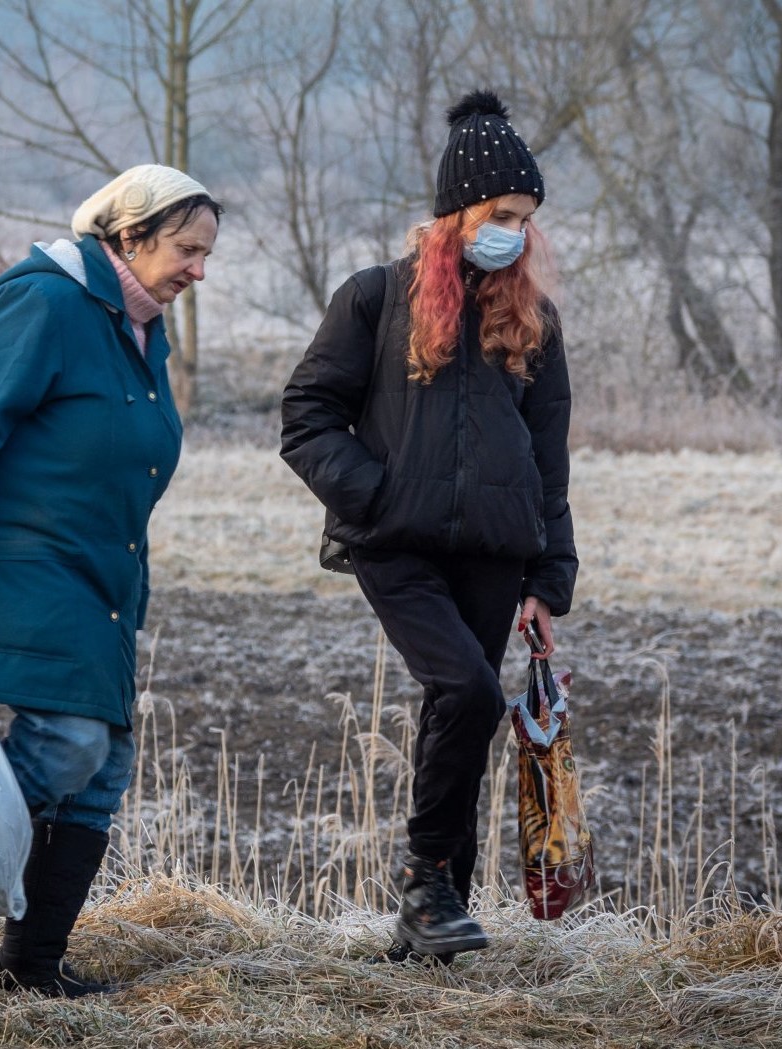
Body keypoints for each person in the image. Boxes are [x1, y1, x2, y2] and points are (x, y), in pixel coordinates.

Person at [0, 164, 220, 995]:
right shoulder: (43, 299)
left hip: (101, 577)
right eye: (185, 249)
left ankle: (31, 966)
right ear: (128, 235)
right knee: (68, 739)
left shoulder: (137, 327)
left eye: (207, 254)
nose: (198, 271)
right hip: (23, 561)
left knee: (101, 765)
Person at [279, 90, 577, 961]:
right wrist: (373, 495)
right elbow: (305, 417)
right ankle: (424, 884)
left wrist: (546, 581)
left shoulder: (534, 323)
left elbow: (548, 462)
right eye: (500, 214)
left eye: (525, 218)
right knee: (469, 691)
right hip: (395, 547)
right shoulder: (374, 301)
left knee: (466, 716)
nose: (514, 232)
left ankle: (435, 921)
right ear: (456, 211)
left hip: (494, 554)